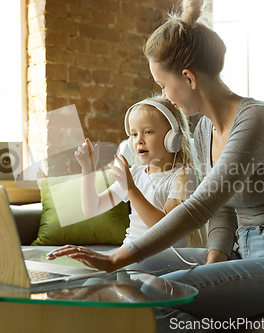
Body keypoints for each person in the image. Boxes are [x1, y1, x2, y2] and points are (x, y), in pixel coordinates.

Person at [47, 0, 264, 329]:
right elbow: (224, 209)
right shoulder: (203, 130)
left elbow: (202, 205)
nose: (165, 95)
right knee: (108, 279)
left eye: (162, 85)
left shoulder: (257, 119)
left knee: (155, 290)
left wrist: (117, 254)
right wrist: (216, 259)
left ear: (188, 77)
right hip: (248, 251)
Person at [74, 94, 206, 251]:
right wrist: (87, 169)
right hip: (130, 254)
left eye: (148, 132)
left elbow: (167, 231)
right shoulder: (135, 174)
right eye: (134, 134)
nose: (138, 140)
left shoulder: (184, 176)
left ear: (172, 138)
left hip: (164, 261)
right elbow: (92, 208)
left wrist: (130, 189)